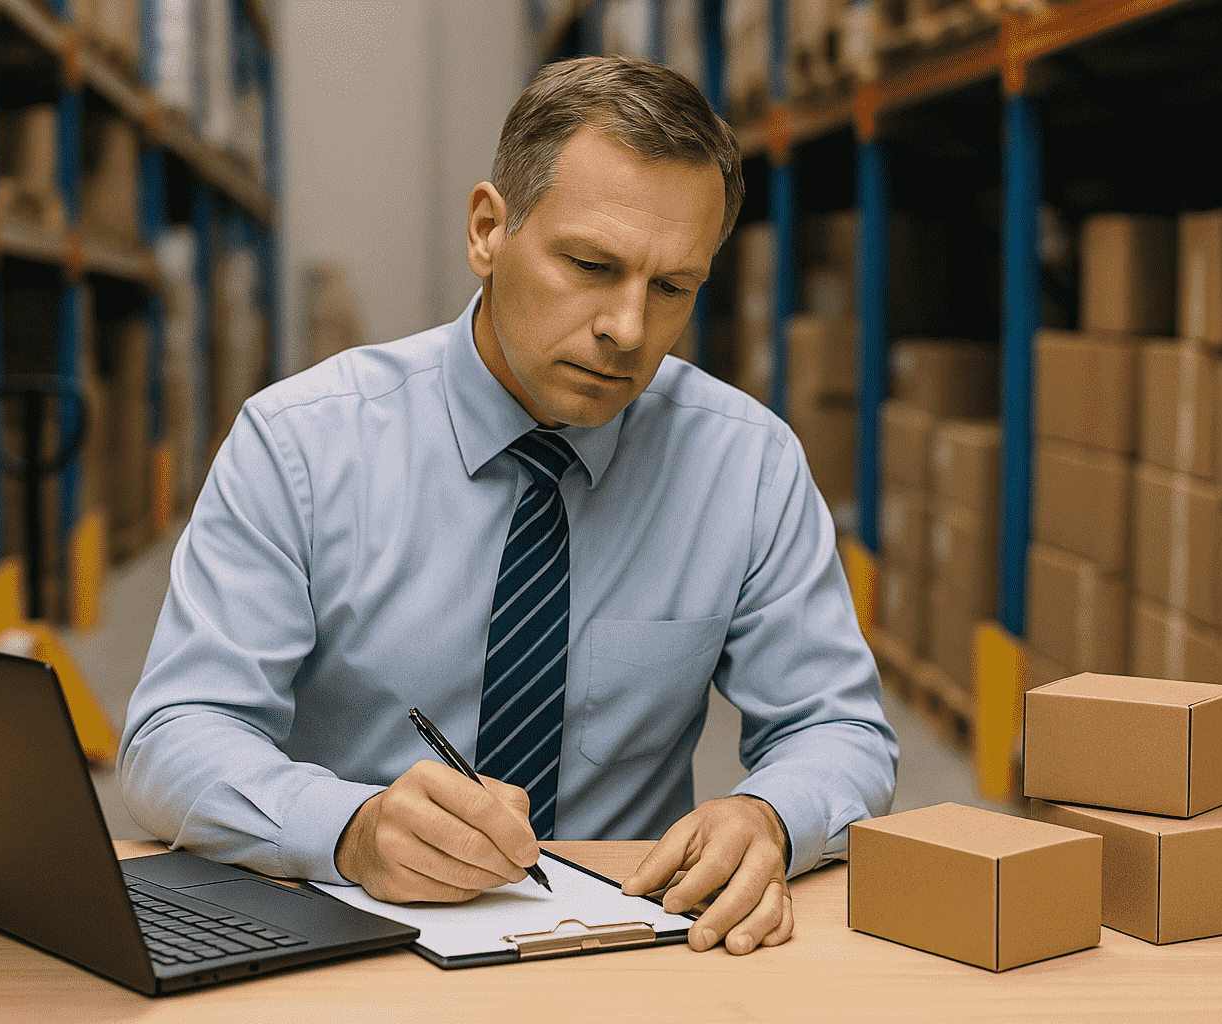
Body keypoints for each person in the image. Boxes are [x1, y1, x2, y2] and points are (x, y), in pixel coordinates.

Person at [120, 54, 897, 957]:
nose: (628, 331)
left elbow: (836, 727)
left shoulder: (746, 466)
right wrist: (350, 828)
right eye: (591, 265)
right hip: (351, 932)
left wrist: (771, 814)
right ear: (488, 229)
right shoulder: (300, 445)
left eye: (674, 287)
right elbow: (175, 732)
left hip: (629, 942)